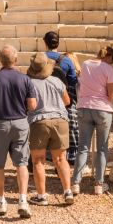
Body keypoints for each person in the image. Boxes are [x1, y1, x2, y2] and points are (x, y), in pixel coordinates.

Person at [0, 45, 37, 218]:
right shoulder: (25, 78)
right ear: (16, 59)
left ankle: (1, 201)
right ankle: (22, 200)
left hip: (0, 123)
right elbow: (33, 105)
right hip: (20, 122)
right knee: (21, 162)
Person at [26, 53, 74, 206]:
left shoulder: (30, 83)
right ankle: (68, 192)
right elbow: (67, 101)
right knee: (61, 159)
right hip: (60, 120)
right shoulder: (56, 81)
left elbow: (28, 105)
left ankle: (41, 196)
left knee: (38, 160)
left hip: (39, 121)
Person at [72, 46, 113, 195]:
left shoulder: (85, 64)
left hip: (84, 107)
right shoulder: (108, 69)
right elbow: (111, 95)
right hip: (102, 109)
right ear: (109, 56)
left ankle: (76, 183)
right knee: (102, 148)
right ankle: (99, 183)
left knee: (83, 147)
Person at [44, 31, 80, 164]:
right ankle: (65, 157)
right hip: (61, 98)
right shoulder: (66, 61)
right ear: (58, 42)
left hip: (44, 98)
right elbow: (72, 81)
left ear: (45, 43)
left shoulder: (38, 58)